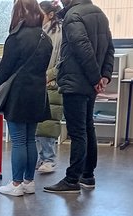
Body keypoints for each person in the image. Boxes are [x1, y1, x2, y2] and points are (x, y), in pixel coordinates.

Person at [44, 0, 113, 194]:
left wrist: (95, 78)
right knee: (87, 127)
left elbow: (82, 48)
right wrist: (104, 76)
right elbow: (110, 47)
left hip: (76, 82)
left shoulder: (73, 15)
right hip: (90, 83)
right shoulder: (99, 13)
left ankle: (72, 179)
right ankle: (87, 176)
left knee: (77, 132)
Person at [0, 0, 53, 197]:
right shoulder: (46, 38)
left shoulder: (15, 38)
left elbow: (4, 71)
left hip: (18, 95)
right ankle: (29, 182)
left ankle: (16, 183)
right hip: (38, 94)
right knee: (30, 139)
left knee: (18, 141)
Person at [35, 0, 64, 174]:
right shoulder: (39, 31)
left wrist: (49, 75)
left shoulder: (60, 32)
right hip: (38, 81)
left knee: (48, 124)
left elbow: (62, 61)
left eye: (41, 14)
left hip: (51, 82)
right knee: (38, 124)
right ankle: (41, 158)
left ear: (51, 15)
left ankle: (49, 159)